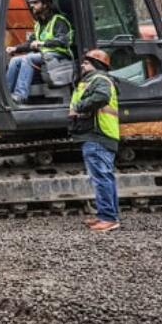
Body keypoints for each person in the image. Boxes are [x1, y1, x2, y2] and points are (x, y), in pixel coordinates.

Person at [69, 48, 120, 232]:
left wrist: (79, 107)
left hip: (98, 135)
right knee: (104, 177)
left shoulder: (100, 80)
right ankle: (107, 215)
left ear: (96, 65)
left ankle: (108, 218)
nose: (82, 64)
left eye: (86, 62)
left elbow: (102, 97)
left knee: (101, 177)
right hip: (99, 135)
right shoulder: (93, 81)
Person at [4, 0, 74, 103]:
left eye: (36, 3)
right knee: (15, 61)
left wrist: (42, 43)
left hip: (60, 55)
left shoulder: (58, 20)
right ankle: (6, 93)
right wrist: (15, 48)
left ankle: (20, 95)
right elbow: (30, 43)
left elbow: (64, 41)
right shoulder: (38, 25)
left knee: (28, 58)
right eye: (32, 3)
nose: (32, 6)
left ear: (45, 4)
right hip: (45, 55)